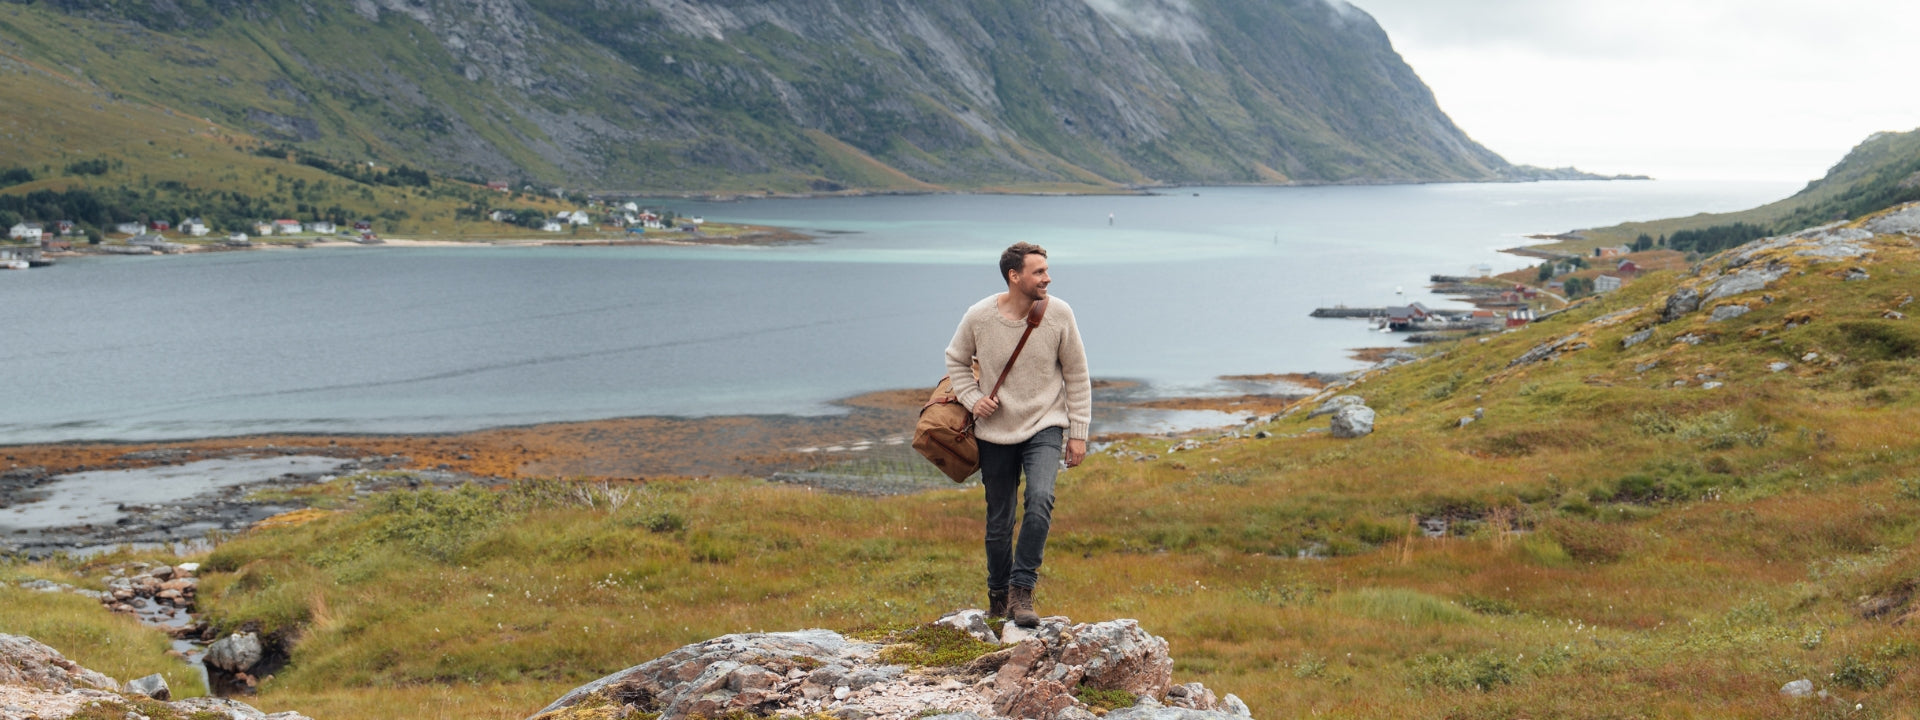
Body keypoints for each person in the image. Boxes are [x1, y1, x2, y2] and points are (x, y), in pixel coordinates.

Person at [944, 242, 1091, 627]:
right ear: (1015, 276)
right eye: (1039, 272)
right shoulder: (979, 316)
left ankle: (1021, 592)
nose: (1048, 277)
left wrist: (1078, 432)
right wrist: (974, 399)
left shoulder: (1060, 313)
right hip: (994, 431)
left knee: (1040, 499)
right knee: (999, 521)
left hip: (1045, 424)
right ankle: (997, 596)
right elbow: (956, 360)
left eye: (1046, 270)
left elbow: (1077, 374)